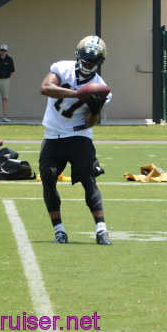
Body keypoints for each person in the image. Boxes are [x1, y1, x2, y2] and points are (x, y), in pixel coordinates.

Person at [38, 35, 112, 246]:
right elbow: (45, 88)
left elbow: (90, 123)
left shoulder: (100, 86)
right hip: (53, 134)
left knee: (88, 178)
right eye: (86, 57)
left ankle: (101, 230)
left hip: (79, 135)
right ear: (78, 55)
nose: (88, 62)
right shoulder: (62, 68)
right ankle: (59, 231)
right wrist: (78, 94)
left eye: (93, 59)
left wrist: (96, 109)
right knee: (48, 177)